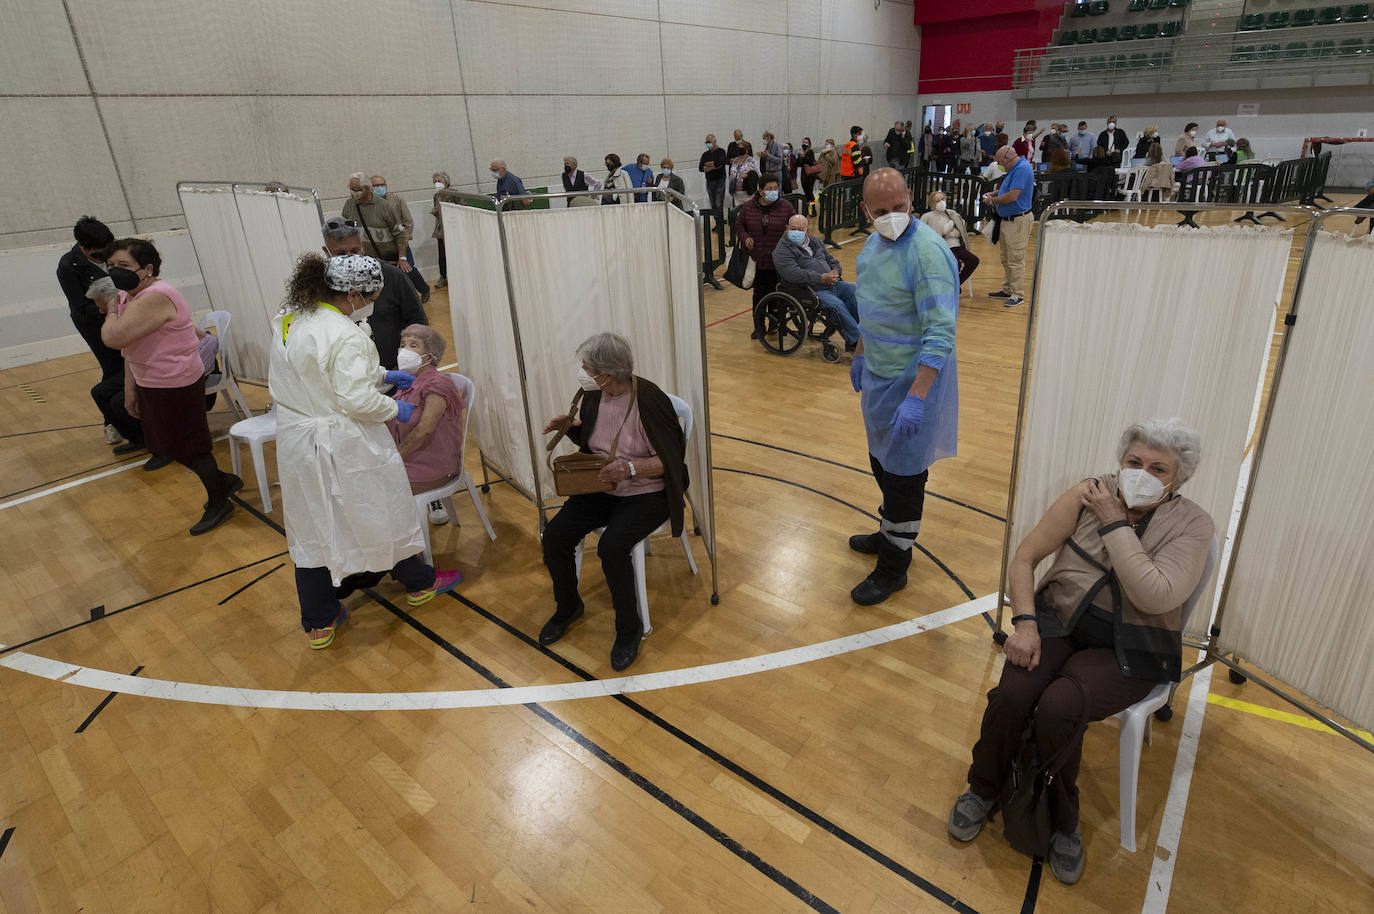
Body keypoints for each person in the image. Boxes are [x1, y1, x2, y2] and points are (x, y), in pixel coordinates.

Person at [948, 418, 1213, 885]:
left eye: (1157, 468)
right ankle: (982, 787)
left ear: (1179, 478)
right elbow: (1026, 557)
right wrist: (1025, 622)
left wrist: (1113, 521)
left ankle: (1063, 821)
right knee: (1013, 693)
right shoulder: (1089, 492)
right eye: (1133, 462)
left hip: (1132, 644)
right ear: (1120, 460)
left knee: (1060, 705)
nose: (1141, 473)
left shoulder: (1193, 524)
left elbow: (1154, 595)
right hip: (1057, 620)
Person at [272, 253, 462, 649]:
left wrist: (379, 373)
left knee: (311, 524)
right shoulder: (346, 333)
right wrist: (396, 406)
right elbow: (356, 400)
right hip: (343, 438)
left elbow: (318, 370)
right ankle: (419, 583)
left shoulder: (291, 318)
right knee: (381, 509)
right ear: (355, 293)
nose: (374, 300)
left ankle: (320, 619)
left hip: (298, 440)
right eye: (373, 293)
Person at [539, 332, 689, 671]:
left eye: (588, 368)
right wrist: (570, 427)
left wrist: (633, 468)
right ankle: (568, 608)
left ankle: (629, 629)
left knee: (612, 547)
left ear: (609, 373)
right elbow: (597, 443)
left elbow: (673, 459)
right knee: (556, 536)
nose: (583, 372)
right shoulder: (594, 395)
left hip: (648, 492)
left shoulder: (649, 399)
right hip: (603, 485)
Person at [847, 168, 959, 605]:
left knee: (905, 477)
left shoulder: (928, 252)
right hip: (879, 375)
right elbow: (868, 305)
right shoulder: (872, 246)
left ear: (911, 200)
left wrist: (917, 396)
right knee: (882, 465)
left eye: (898, 208)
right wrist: (859, 351)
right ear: (866, 212)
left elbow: (940, 331)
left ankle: (894, 568)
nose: (891, 217)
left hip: (915, 383)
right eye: (880, 211)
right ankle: (888, 532)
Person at [99, 238, 241, 535]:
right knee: (164, 443)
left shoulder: (155, 296)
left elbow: (114, 337)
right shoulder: (129, 296)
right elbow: (129, 348)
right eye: (110, 265)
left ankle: (220, 500)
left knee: (188, 445)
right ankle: (223, 481)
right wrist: (130, 388)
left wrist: (111, 309)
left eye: (123, 266)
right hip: (150, 379)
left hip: (175, 382)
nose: (114, 272)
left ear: (147, 268)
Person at [57, 216, 137, 450]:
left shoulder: (117, 253)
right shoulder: (68, 266)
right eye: (99, 255)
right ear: (84, 247)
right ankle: (114, 421)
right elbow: (81, 307)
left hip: (125, 316)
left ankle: (133, 415)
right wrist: (107, 308)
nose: (105, 258)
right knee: (113, 369)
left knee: (130, 363)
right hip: (95, 323)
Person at [387, 323, 467, 529]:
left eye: (413, 346)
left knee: (373, 490)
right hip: (410, 460)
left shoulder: (437, 385)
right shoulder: (407, 383)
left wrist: (393, 459)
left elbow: (424, 430)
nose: (404, 350)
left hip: (432, 465)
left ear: (429, 356)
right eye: (402, 344)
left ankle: (402, 552)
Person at [321, 217, 427, 371]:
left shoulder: (392, 276)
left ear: (362, 247)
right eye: (341, 253)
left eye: (355, 251)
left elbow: (417, 320)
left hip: (393, 368)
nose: (350, 258)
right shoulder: (322, 284)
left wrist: (407, 360)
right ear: (327, 252)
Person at [773, 214, 861, 349]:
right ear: (787, 228)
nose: (796, 232)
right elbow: (794, 274)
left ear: (806, 230)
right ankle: (854, 342)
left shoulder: (814, 241)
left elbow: (831, 259)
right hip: (810, 290)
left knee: (856, 292)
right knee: (836, 306)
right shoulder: (782, 251)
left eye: (800, 229)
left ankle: (865, 334)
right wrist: (821, 278)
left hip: (832, 283)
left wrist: (836, 271)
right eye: (793, 228)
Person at [735, 174, 797, 314]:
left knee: (776, 293)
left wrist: (791, 230)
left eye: (776, 188)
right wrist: (745, 237)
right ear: (761, 191)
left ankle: (774, 323)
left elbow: (795, 224)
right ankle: (759, 324)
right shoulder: (748, 207)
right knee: (759, 294)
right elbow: (739, 226)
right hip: (757, 259)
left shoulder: (786, 207)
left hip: (778, 259)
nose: (774, 191)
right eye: (769, 188)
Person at [984, 145, 1035, 309]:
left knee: (1015, 259)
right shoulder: (1015, 168)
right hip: (1007, 219)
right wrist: (994, 194)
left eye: (1000, 162)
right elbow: (1008, 190)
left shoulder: (1022, 169)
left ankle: (1017, 294)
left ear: (1006, 158)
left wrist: (992, 201)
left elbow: (1013, 196)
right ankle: (1007, 289)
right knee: (1006, 257)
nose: (1000, 166)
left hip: (1018, 221)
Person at [371, 174, 429, 304]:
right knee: (388, 273)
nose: (379, 187)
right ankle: (401, 299)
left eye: (381, 184)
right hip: (381, 246)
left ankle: (424, 289)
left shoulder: (396, 200)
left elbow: (408, 222)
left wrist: (405, 240)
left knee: (408, 269)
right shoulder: (370, 205)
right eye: (375, 185)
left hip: (400, 242)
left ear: (386, 185)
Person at [343, 173, 414, 273]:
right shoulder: (349, 205)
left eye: (356, 189)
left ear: (367, 188)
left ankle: (424, 289)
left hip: (387, 258)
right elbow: (347, 229)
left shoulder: (385, 206)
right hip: (364, 260)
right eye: (351, 188)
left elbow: (400, 232)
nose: (352, 192)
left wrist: (402, 257)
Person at [920, 191, 978, 285]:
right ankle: (951, 286)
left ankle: (956, 283)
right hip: (940, 246)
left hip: (956, 244)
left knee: (973, 260)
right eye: (937, 201)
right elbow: (922, 235)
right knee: (955, 263)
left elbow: (961, 230)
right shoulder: (927, 216)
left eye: (942, 199)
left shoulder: (952, 214)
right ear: (931, 204)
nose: (941, 202)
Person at [429, 172, 461, 288]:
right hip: (441, 229)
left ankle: (458, 276)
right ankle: (443, 277)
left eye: (439, 181)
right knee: (442, 255)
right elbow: (438, 209)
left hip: (453, 228)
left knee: (456, 254)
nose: (436, 184)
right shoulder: (436, 195)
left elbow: (461, 208)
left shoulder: (454, 193)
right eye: (435, 181)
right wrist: (436, 212)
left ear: (446, 182)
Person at [699, 134, 728, 213]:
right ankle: (717, 222)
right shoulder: (705, 154)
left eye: (709, 142)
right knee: (713, 204)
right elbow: (701, 168)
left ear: (714, 141)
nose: (708, 144)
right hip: (709, 181)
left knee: (719, 204)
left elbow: (720, 163)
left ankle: (720, 224)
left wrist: (707, 164)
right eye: (706, 142)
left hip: (720, 181)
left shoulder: (721, 151)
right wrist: (713, 166)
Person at [797, 137, 818, 206]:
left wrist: (804, 157)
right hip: (803, 174)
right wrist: (799, 157)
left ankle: (813, 209)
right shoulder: (801, 153)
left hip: (810, 175)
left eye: (806, 142)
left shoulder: (810, 152)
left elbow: (811, 162)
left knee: (810, 192)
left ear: (809, 144)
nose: (804, 144)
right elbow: (798, 164)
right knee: (806, 192)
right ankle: (807, 209)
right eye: (803, 142)